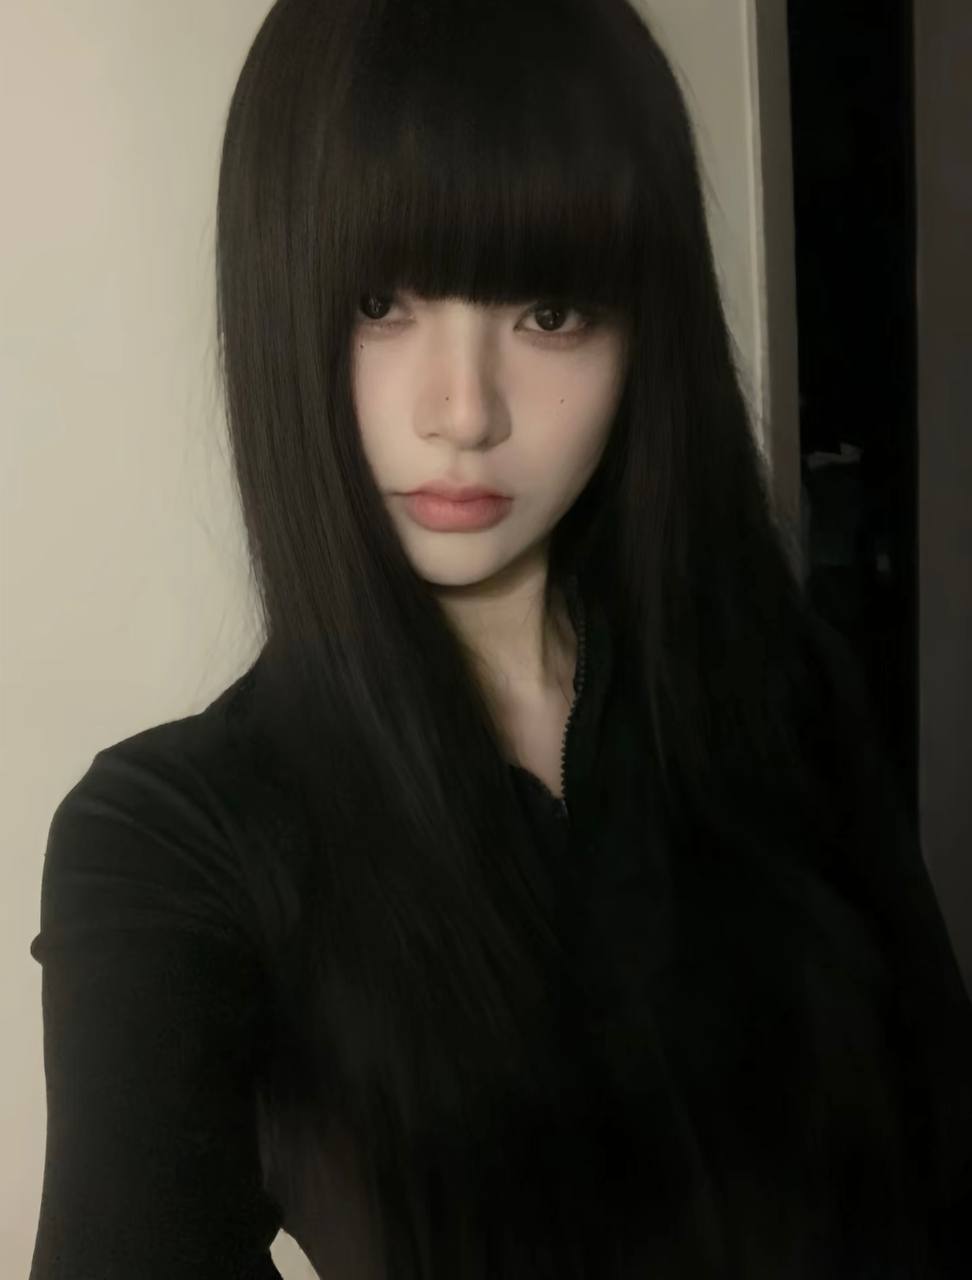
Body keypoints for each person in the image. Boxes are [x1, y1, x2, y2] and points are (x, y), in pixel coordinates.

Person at [27, 0, 972, 1276]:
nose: (462, 411)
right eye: (381, 301)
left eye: (551, 312)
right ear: (280, 297)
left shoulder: (787, 688)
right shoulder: (175, 841)